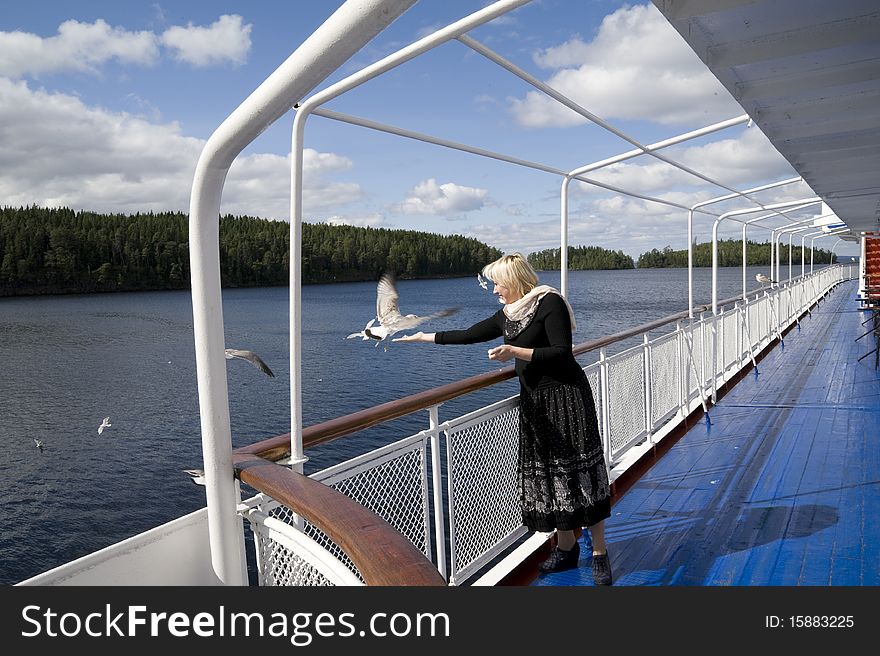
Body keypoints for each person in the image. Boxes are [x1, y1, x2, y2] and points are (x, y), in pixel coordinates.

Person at [393, 252, 613, 585]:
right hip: (535, 402)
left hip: (566, 396)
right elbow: (469, 334)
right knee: (551, 474)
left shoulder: (549, 302)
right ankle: (567, 546)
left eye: (497, 283)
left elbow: (561, 352)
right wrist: (425, 337)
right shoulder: (508, 314)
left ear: (513, 281)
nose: (495, 289)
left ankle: (599, 551)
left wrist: (514, 352)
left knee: (581, 471)